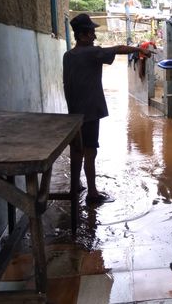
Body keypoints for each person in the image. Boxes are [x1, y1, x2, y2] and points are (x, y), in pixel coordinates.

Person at [63, 13, 152, 204]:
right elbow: (119, 48)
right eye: (92, 33)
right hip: (90, 112)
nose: (95, 37)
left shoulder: (68, 56)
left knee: (77, 149)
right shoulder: (91, 53)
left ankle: (75, 185)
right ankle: (93, 193)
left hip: (74, 113)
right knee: (90, 151)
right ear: (83, 35)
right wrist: (140, 49)